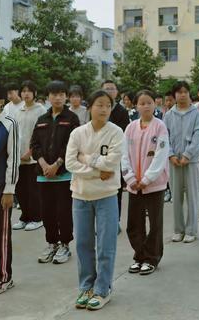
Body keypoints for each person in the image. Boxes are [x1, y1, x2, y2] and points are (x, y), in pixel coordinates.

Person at [65, 90, 124, 310]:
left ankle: (103, 289)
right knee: (82, 243)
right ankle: (86, 286)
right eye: (99, 104)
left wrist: (87, 158)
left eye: (108, 105)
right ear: (90, 107)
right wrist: (95, 172)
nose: (104, 109)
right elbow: (70, 163)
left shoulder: (116, 132)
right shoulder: (78, 133)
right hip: (80, 195)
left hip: (107, 195)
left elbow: (112, 163)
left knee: (105, 245)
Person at [31, 81, 80, 264]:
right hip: (43, 175)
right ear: (48, 97)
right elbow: (34, 145)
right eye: (53, 94)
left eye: (61, 94)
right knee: (47, 212)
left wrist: (56, 165)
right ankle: (51, 243)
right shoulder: (42, 119)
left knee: (63, 212)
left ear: (66, 96)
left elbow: (71, 146)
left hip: (64, 175)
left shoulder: (72, 118)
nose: (57, 97)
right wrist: (44, 164)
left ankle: (65, 245)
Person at [121, 90, 169, 275]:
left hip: (154, 185)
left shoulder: (160, 127)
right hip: (134, 185)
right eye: (142, 103)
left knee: (155, 223)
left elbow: (160, 156)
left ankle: (152, 258)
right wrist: (130, 178)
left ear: (154, 104)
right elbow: (124, 155)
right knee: (134, 223)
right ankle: (139, 255)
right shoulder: (130, 127)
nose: (146, 106)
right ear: (136, 106)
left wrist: (148, 179)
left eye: (149, 102)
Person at [0, 82, 20, 295]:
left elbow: (13, 159)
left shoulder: (9, 124)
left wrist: (9, 189)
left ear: (1, 101)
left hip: (0, 190)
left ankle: (4, 277)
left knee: (0, 234)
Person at [164, 81, 199, 243]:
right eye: (179, 92)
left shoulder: (195, 113)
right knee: (176, 196)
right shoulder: (169, 115)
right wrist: (171, 155)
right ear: (174, 95)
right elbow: (164, 137)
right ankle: (178, 229)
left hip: (191, 161)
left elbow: (197, 135)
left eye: (185, 92)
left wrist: (187, 155)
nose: (182, 95)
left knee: (192, 195)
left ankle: (191, 230)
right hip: (174, 161)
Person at [12, 80, 46, 232]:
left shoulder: (40, 110)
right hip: (18, 157)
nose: (26, 93)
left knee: (33, 190)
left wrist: (30, 152)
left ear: (35, 93)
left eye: (29, 91)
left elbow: (41, 134)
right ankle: (25, 217)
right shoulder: (17, 110)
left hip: (33, 157)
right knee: (20, 189)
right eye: (23, 91)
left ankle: (37, 218)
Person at [102, 80, 130, 224]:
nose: (109, 91)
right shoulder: (97, 109)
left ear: (116, 92)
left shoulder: (122, 111)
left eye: (112, 89)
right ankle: (102, 220)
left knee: (116, 189)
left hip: (116, 156)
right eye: (106, 89)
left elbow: (124, 135)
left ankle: (115, 221)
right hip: (99, 156)